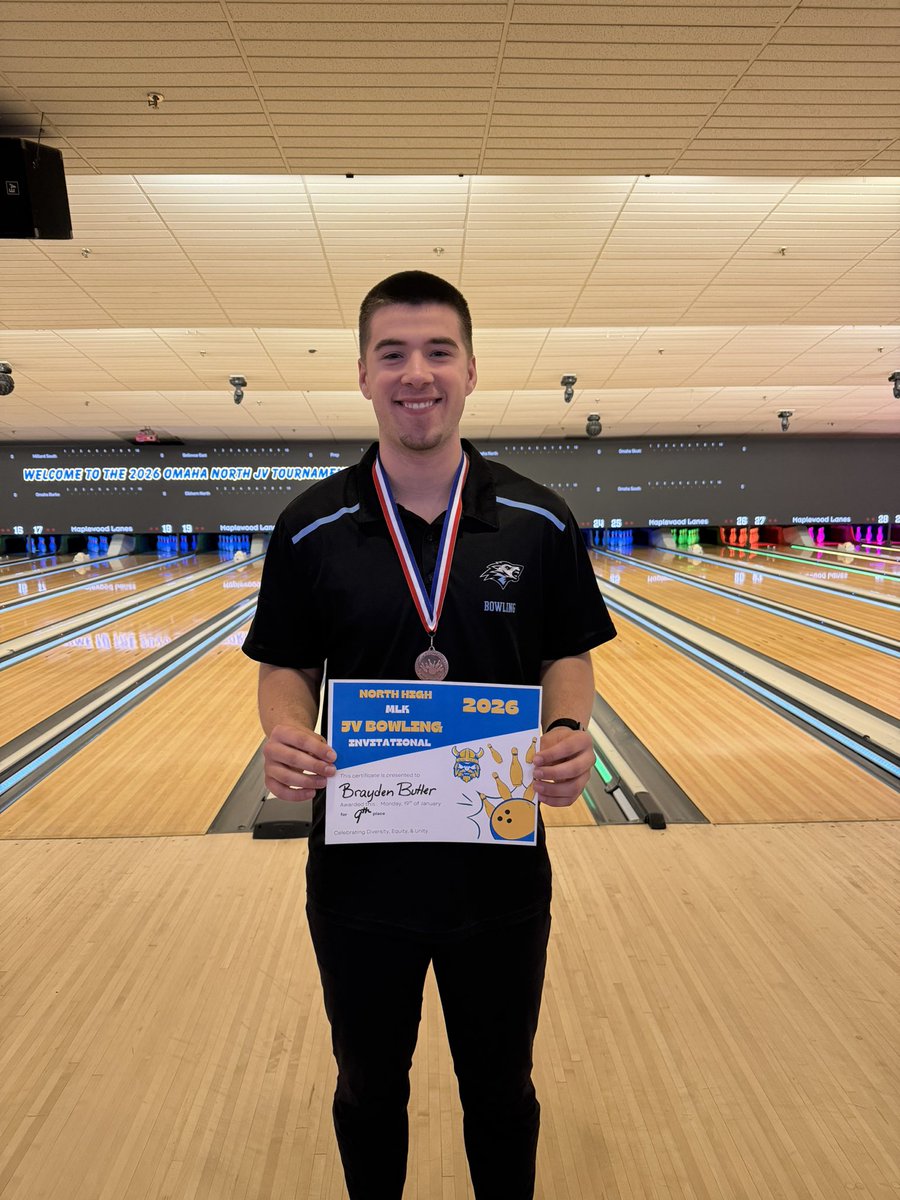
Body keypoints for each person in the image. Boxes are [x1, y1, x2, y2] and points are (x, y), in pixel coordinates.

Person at [242, 270, 616, 1199]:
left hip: (498, 875)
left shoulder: (537, 519)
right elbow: (283, 662)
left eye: (438, 351)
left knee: (501, 1089)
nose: (418, 373)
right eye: (393, 353)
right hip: (361, 879)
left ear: (472, 369)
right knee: (369, 1089)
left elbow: (569, 649)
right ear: (363, 374)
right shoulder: (310, 528)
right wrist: (286, 731)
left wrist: (569, 726)